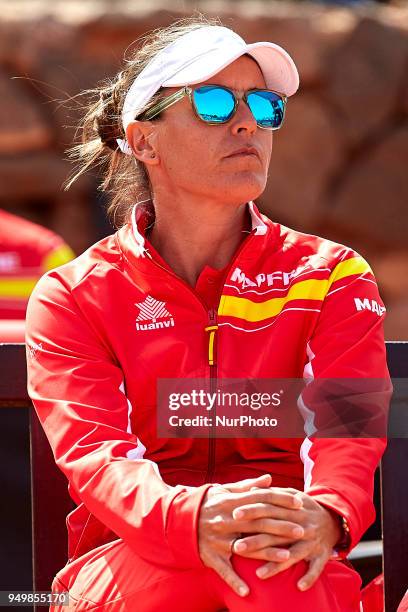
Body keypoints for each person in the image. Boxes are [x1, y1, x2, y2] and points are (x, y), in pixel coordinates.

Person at [25, 16, 391, 612]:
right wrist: (195, 518)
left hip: (294, 550)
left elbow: (347, 428)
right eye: (215, 103)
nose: (248, 122)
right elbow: (98, 457)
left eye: (266, 106)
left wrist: (327, 513)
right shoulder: (74, 293)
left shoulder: (332, 274)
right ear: (144, 142)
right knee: (261, 563)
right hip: (128, 563)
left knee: (267, 560)